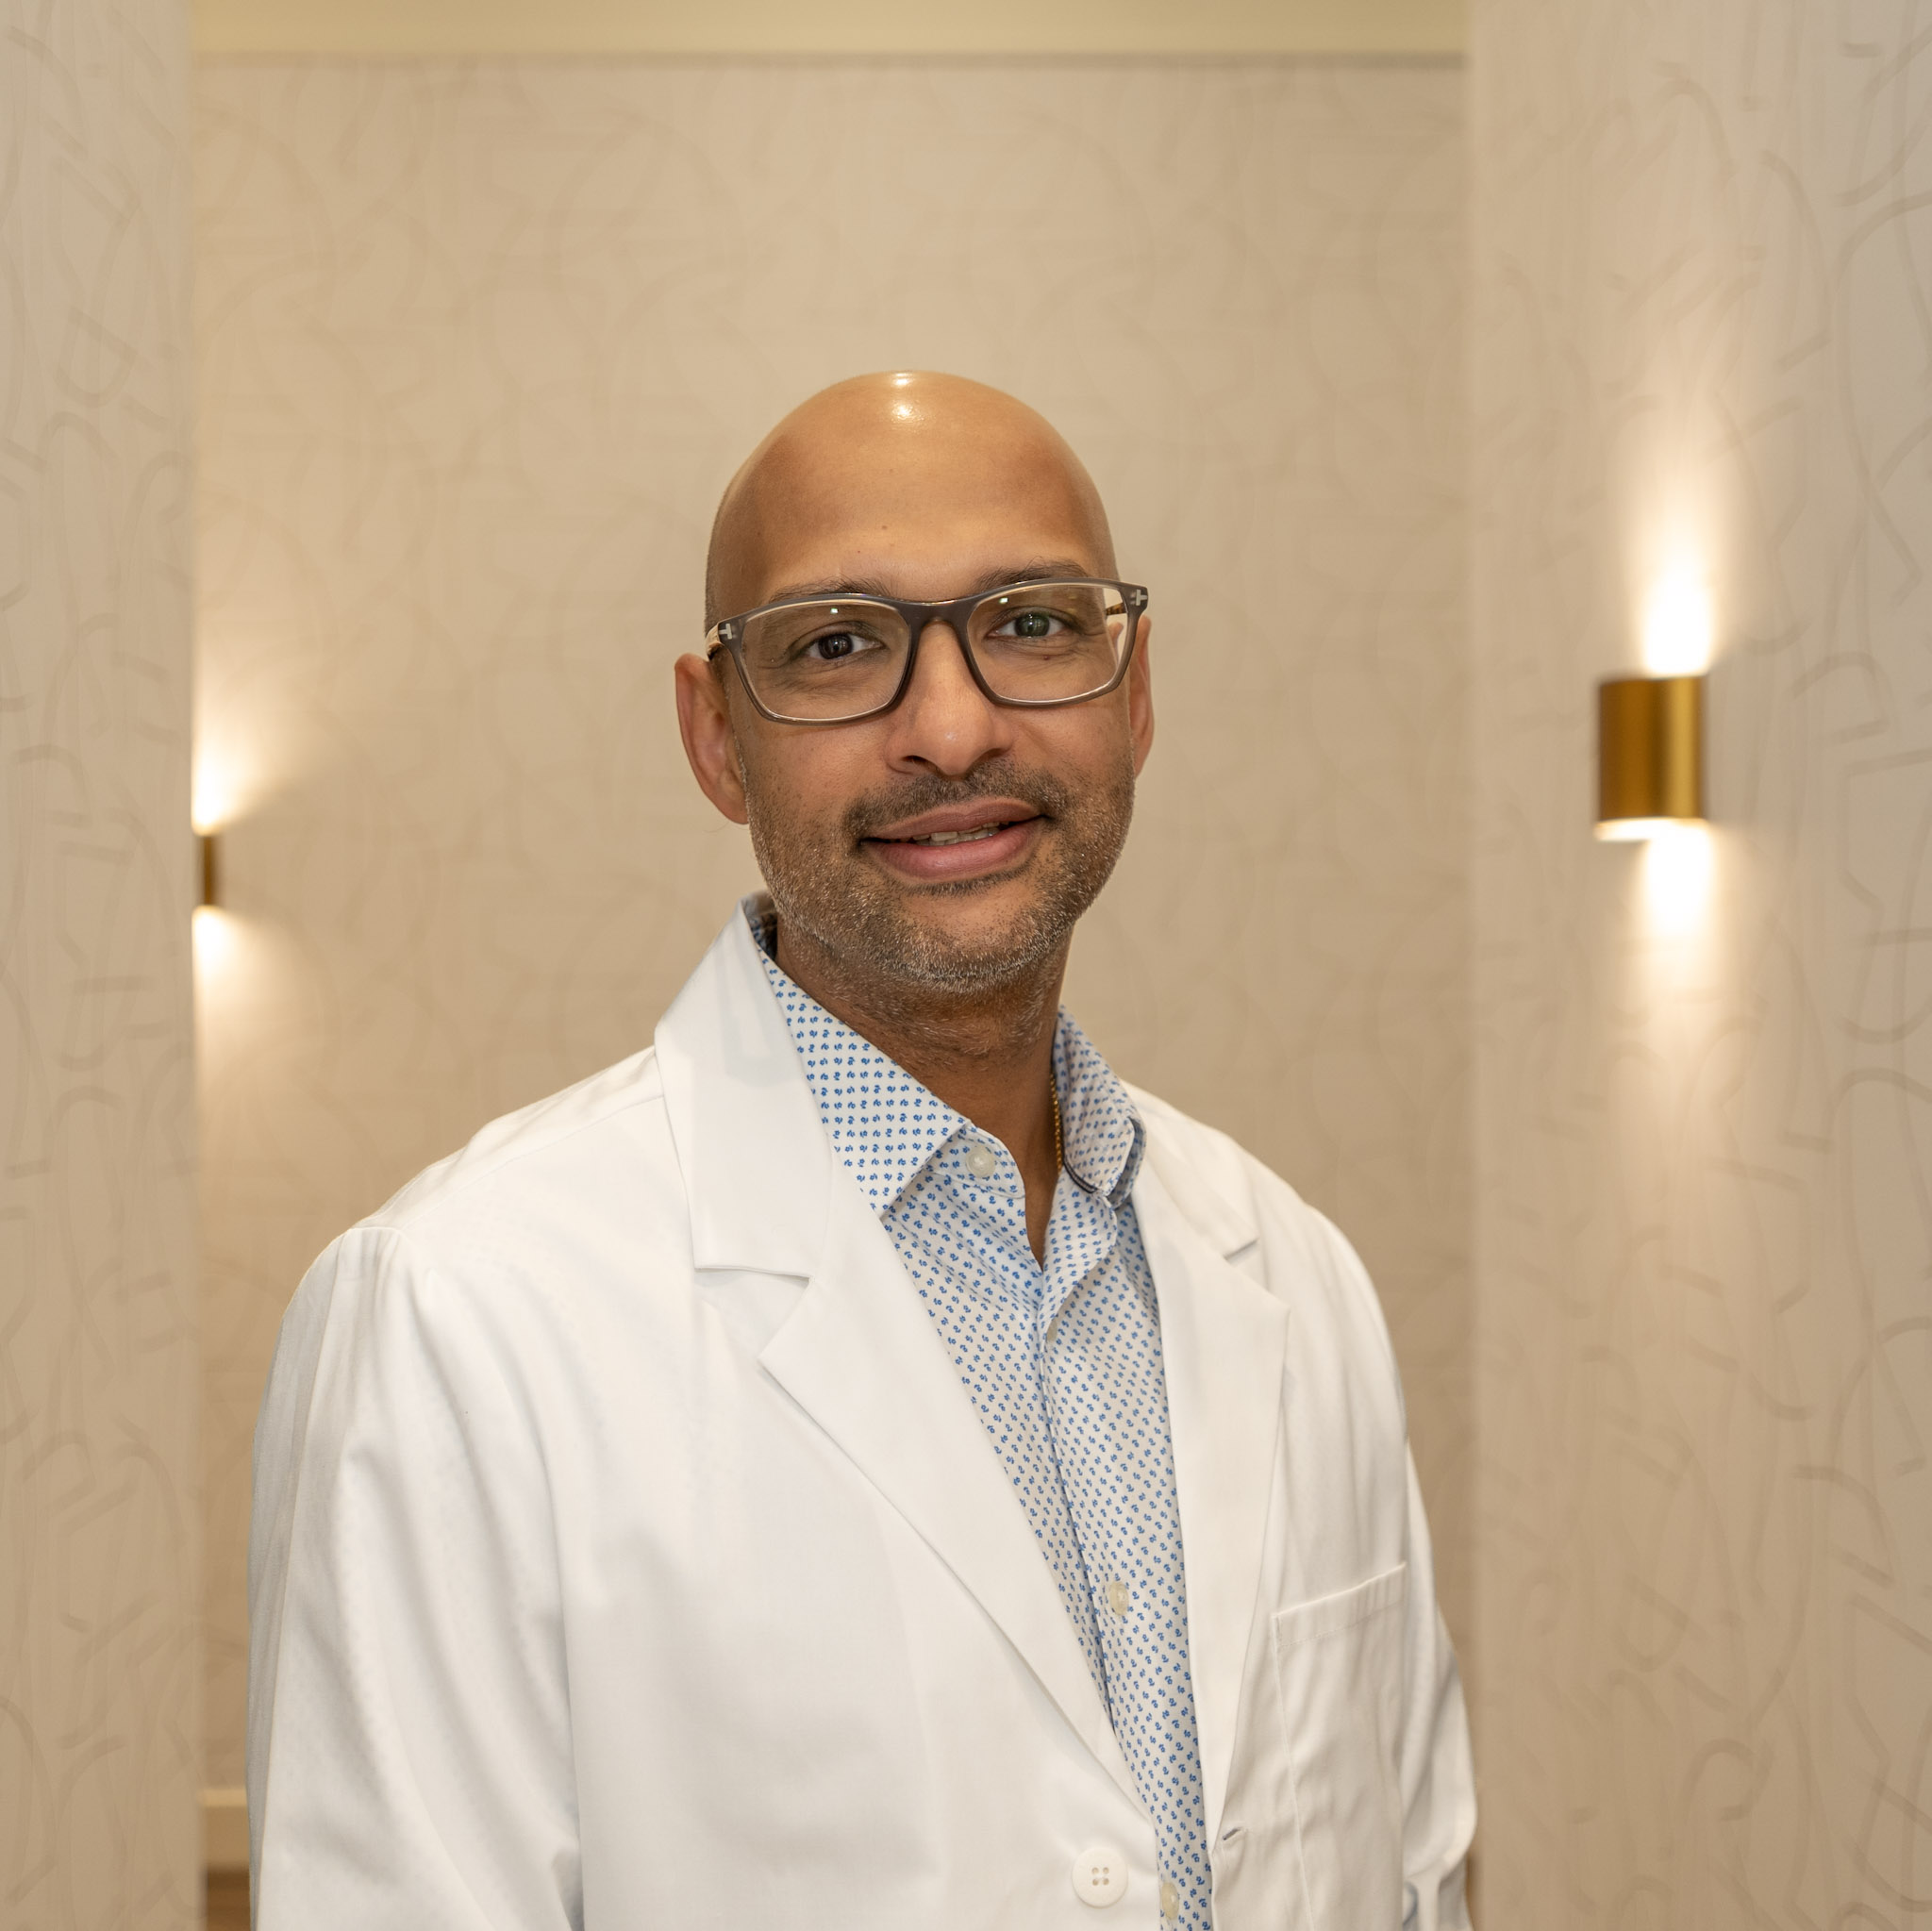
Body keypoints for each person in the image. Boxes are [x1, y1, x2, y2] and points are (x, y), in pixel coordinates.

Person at [246, 372, 1475, 1929]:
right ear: (715, 740)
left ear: (1135, 689)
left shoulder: (1296, 1272)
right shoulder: (451, 1318)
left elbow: (1412, 1873)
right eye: (837, 648)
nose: (951, 728)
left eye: (1033, 623)